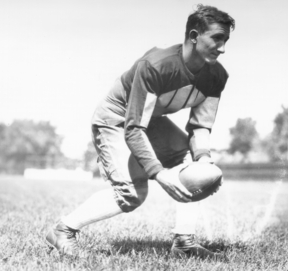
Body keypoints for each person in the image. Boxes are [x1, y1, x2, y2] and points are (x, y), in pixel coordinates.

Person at [46, 4, 234, 260]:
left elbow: (200, 126)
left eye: (226, 40)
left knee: (195, 165)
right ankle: (63, 229)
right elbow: (134, 128)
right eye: (216, 38)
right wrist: (159, 173)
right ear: (193, 36)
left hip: (150, 119)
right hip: (117, 117)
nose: (222, 48)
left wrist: (204, 162)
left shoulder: (217, 76)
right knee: (133, 193)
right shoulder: (157, 65)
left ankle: (184, 242)